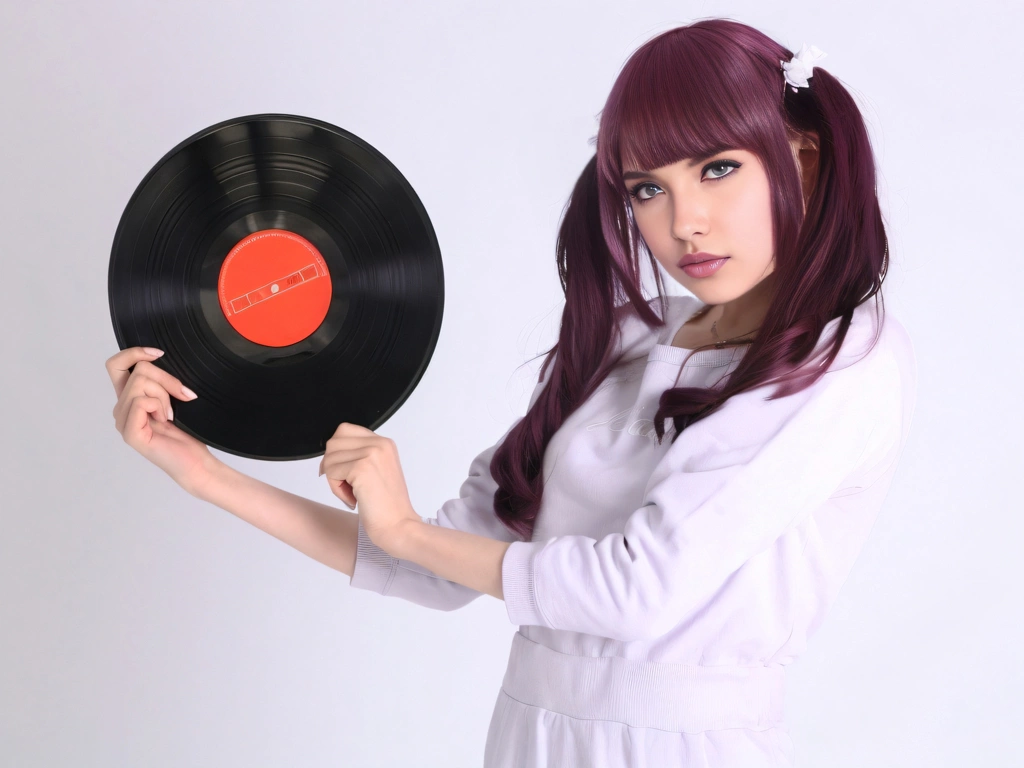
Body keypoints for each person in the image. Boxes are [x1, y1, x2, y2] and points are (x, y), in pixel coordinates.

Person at [106, 17, 918, 768]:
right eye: (648, 188)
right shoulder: (634, 343)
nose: (686, 222)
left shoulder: (840, 365)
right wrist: (203, 472)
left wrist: (406, 533)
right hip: (531, 737)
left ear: (803, 159)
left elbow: (635, 592)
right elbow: (428, 567)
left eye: (718, 169)